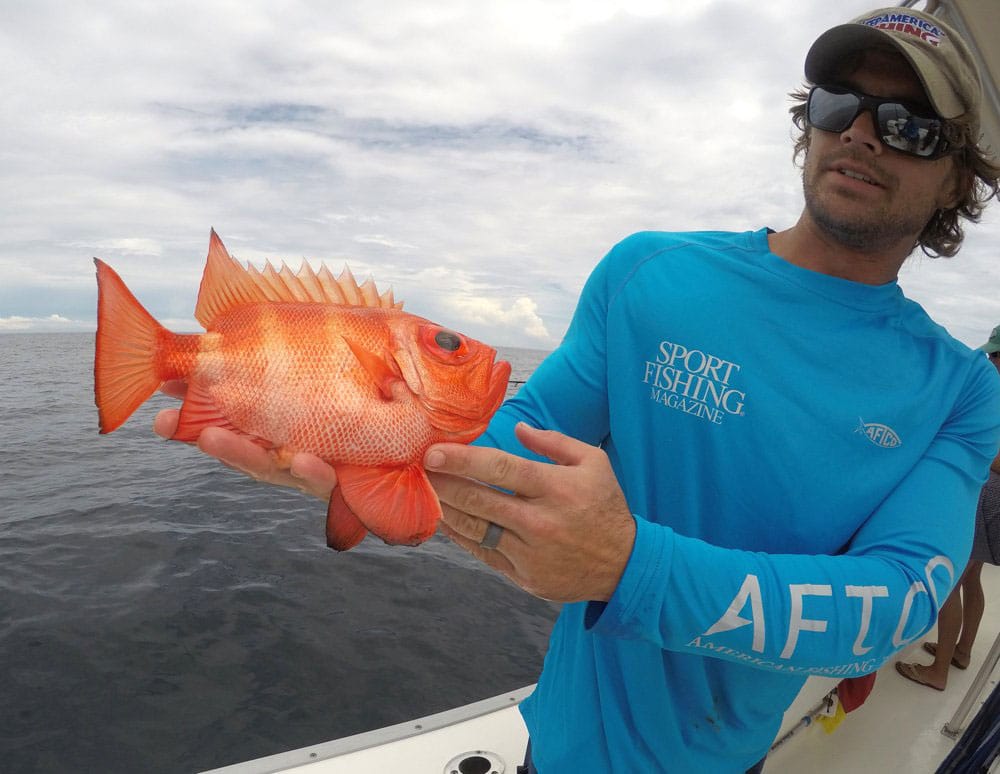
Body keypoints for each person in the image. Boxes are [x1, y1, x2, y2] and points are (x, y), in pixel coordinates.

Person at [153, 7, 1000, 772]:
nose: (860, 134)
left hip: (727, 759)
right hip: (553, 748)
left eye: (909, 126)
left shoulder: (960, 391)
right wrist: (373, 452)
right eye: (835, 105)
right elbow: (523, 431)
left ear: (960, 179)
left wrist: (628, 566)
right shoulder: (649, 276)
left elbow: (891, 606)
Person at [896, 329, 1000, 691]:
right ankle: (961, 650)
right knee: (971, 578)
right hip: (990, 513)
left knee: (951, 579)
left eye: (996, 356)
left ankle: (937, 671)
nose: (990, 362)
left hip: (990, 512)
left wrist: (969, 448)